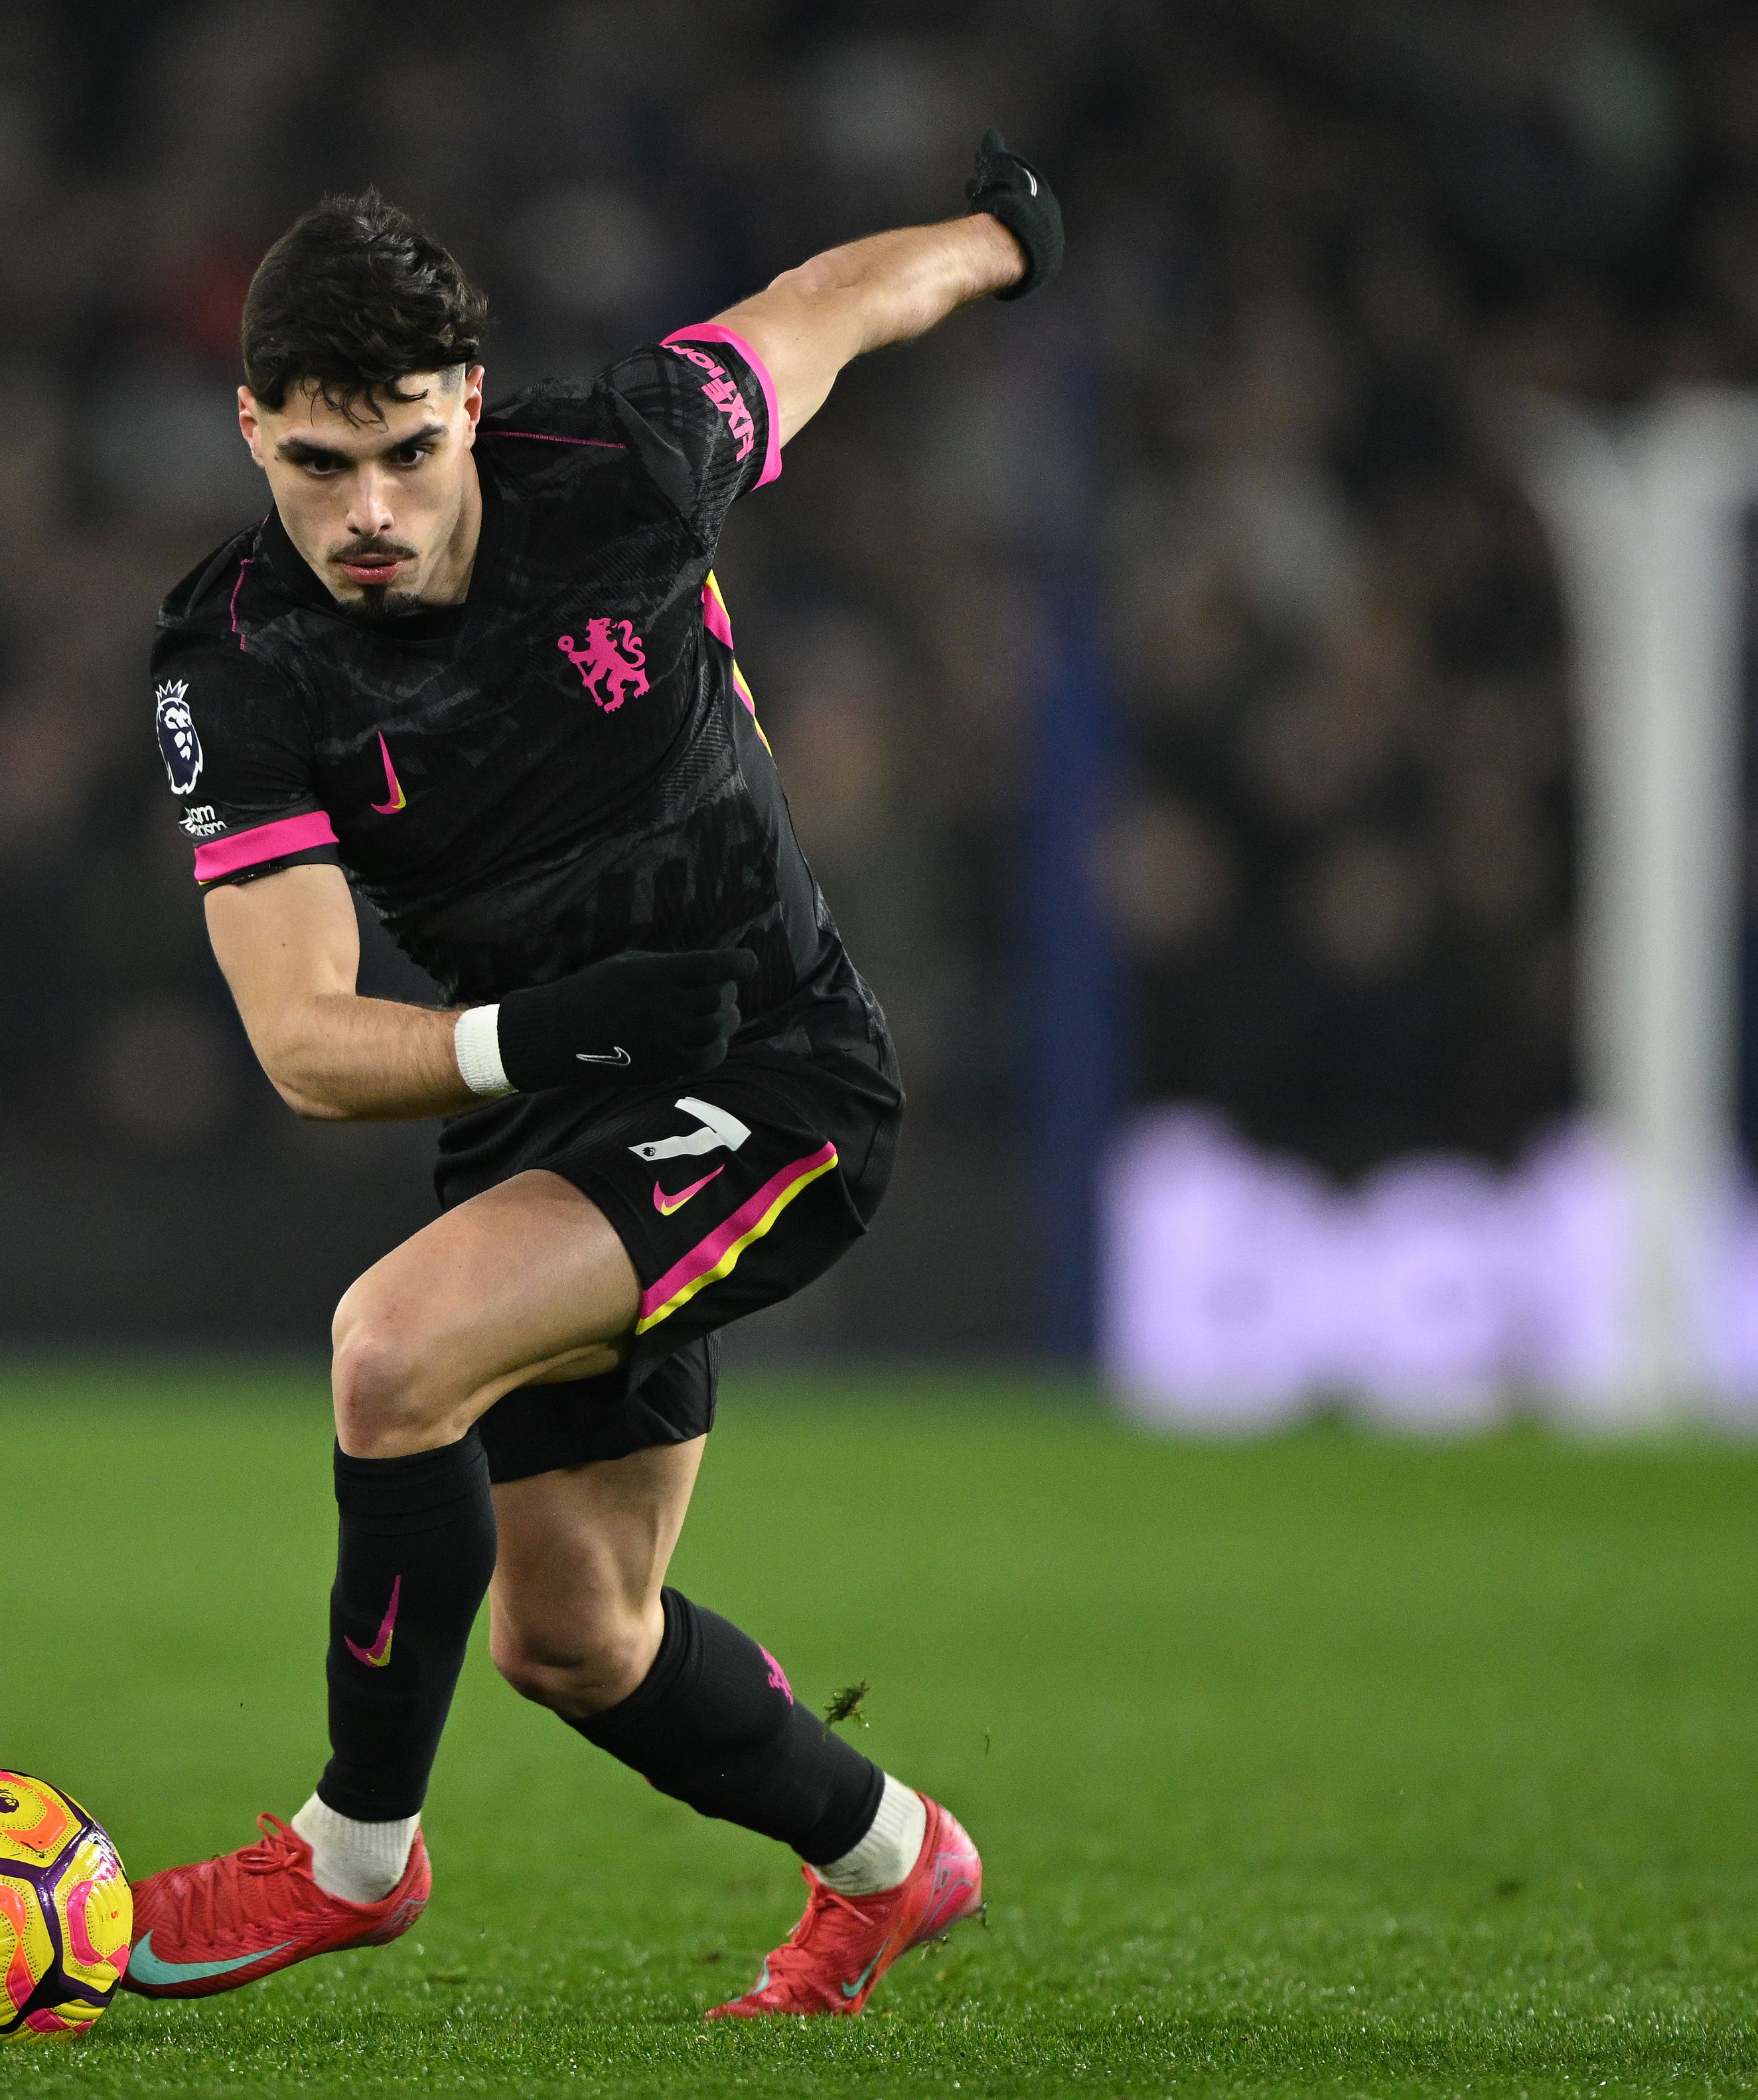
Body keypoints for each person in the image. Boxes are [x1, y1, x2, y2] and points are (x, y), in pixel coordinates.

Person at [121, 131, 1062, 2018]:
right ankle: (892, 1861)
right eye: (318, 464)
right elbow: (307, 1046)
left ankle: (351, 1861)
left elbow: (815, 317)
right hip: (552, 1098)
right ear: (249, 432)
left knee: (390, 1357)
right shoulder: (234, 659)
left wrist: (991, 244)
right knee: (574, 1637)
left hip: (771, 1070)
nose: (368, 507)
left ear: (471, 401)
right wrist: (550, 1040)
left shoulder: (623, 456)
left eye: (407, 449)